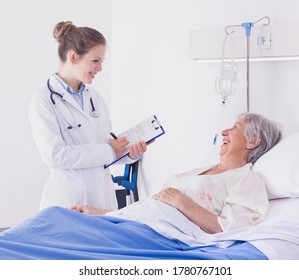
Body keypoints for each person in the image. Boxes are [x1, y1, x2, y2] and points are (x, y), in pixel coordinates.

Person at [71, 112, 283, 234]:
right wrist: (102, 213)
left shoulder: (247, 180)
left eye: (235, 128)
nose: (224, 132)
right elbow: (152, 209)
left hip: (158, 236)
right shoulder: (197, 171)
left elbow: (230, 229)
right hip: (137, 223)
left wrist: (182, 202)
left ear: (253, 141)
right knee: (57, 221)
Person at [29, 21, 148, 211]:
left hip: (102, 199)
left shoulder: (95, 98)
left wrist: (129, 153)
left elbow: (104, 146)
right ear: (73, 57)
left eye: (102, 61)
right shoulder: (43, 100)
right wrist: (109, 150)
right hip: (68, 201)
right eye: (95, 61)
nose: (99, 68)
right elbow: (54, 155)